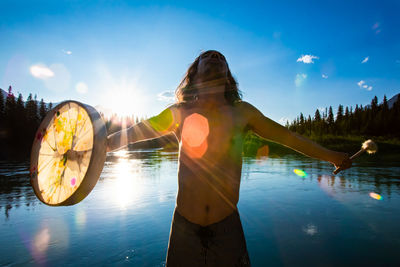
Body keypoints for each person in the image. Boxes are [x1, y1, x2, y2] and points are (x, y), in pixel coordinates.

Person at [106, 50, 352, 266]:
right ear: (193, 74)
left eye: (220, 57)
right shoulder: (179, 112)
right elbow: (135, 132)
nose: (215, 57)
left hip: (227, 225)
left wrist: (331, 156)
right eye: (207, 56)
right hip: (184, 226)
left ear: (228, 76)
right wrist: (104, 145)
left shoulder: (242, 112)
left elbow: (288, 138)